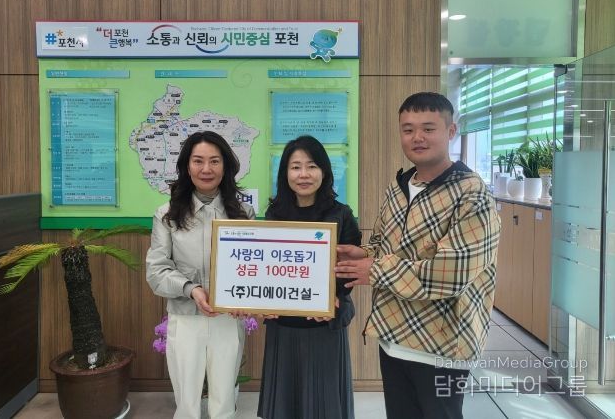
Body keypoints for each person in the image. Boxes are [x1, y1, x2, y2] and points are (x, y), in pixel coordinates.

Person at [335, 92, 501, 419]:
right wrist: (363, 253)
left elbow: (451, 274)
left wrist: (375, 269)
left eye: (428, 128)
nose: (417, 137)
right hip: (393, 337)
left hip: (443, 346)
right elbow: (384, 245)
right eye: (408, 129)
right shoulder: (399, 186)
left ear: (451, 131)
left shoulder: (472, 193)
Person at [146, 131, 255, 419]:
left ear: (226, 166)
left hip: (228, 318)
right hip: (185, 318)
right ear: (187, 166)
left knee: (224, 400)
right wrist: (191, 289)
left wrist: (246, 297)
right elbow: (156, 271)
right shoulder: (167, 214)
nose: (206, 169)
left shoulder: (243, 213)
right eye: (198, 161)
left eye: (214, 161)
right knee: (187, 402)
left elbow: (252, 268)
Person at [257, 135, 361, 419]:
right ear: (285, 173)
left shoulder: (341, 214)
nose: (303, 174)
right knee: (285, 405)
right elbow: (268, 268)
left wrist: (334, 297)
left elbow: (349, 270)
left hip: (324, 324)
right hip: (283, 325)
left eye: (312, 166)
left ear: (324, 171)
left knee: (324, 405)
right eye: (295, 167)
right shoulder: (274, 214)